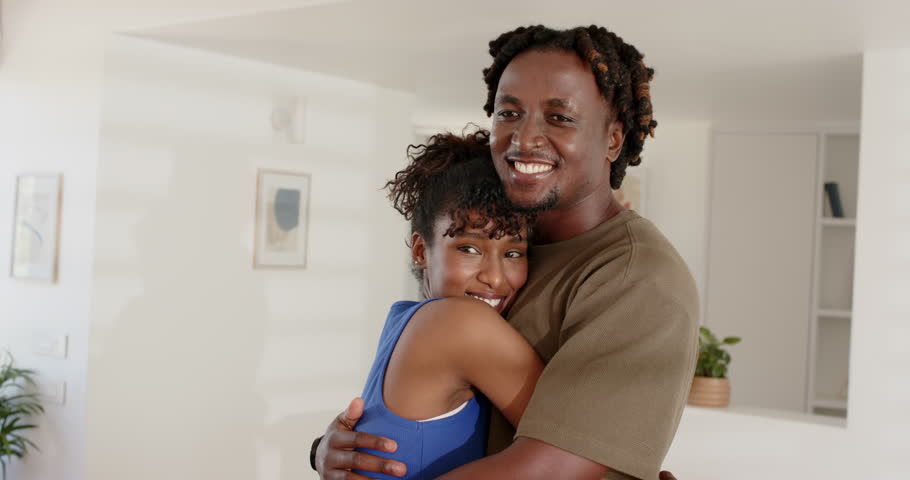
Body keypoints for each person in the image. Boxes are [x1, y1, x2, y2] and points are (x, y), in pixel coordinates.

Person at [314, 25, 699, 480]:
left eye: (560, 118)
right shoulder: (506, 232)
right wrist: (326, 450)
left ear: (613, 140)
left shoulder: (637, 276)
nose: (525, 137)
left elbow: (558, 468)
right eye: (509, 113)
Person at [350, 130, 544, 479]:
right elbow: (576, 443)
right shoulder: (459, 322)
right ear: (421, 250)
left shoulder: (403, 318)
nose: (496, 278)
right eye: (469, 248)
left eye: (513, 253)